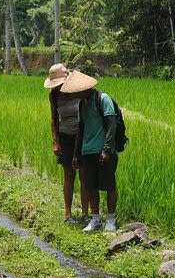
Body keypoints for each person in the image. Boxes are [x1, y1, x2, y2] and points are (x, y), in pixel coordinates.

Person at [62, 70, 119, 232]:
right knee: (90, 186)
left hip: (103, 151)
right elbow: (81, 129)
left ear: (84, 88)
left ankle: (111, 219)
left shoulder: (103, 99)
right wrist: (76, 154)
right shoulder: (82, 104)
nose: (74, 95)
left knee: (109, 185)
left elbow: (111, 124)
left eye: (76, 91)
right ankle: (95, 219)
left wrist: (106, 149)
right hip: (87, 152)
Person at [44, 63, 89, 225]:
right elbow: (53, 119)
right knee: (69, 174)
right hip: (65, 137)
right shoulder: (54, 94)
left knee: (84, 174)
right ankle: (68, 214)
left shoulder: (79, 91)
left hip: (82, 137)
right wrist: (55, 141)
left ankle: (85, 213)